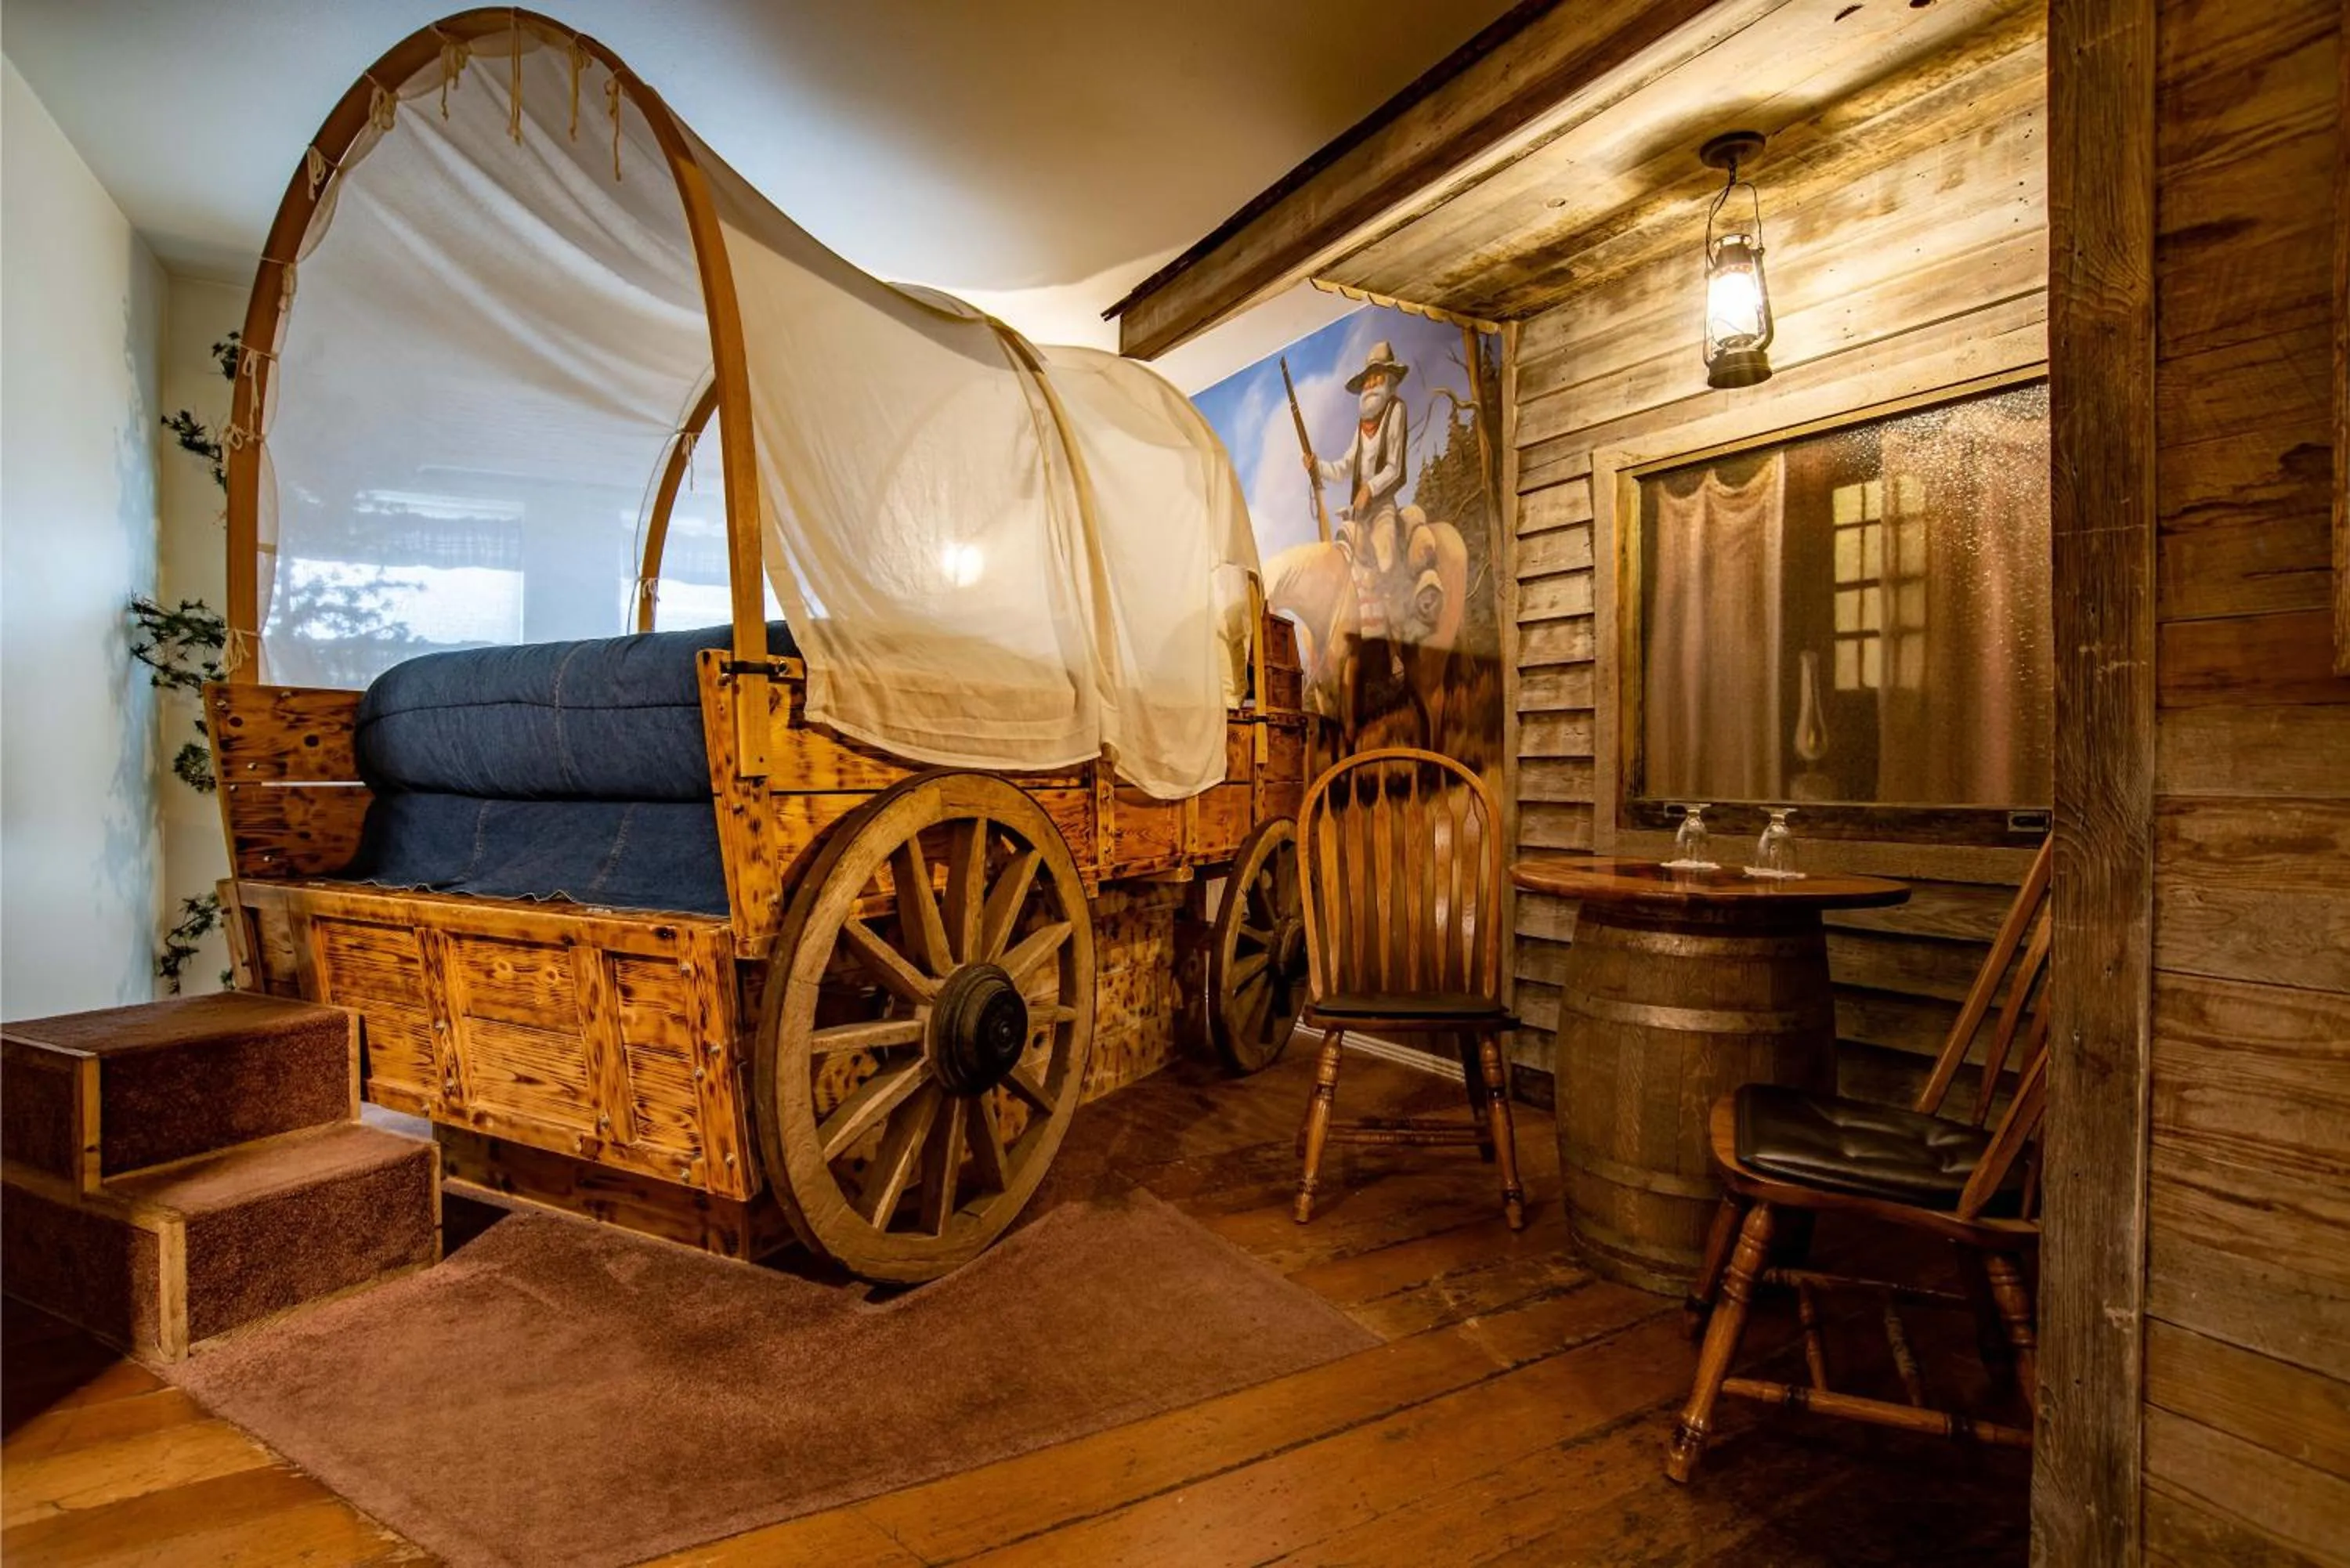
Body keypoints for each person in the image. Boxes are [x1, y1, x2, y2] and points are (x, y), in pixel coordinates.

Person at [1303, 341, 1411, 671]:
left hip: (1382, 508)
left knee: (1386, 561)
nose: (1371, 384)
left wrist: (1369, 489)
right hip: (1358, 514)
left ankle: (1395, 650)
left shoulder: (1396, 411)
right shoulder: (1362, 426)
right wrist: (1317, 466)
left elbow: (1395, 467)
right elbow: (1345, 466)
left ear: (1388, 380)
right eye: (1368, 379)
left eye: (1377, 378)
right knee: (1340, 565)